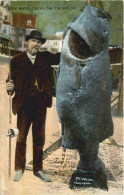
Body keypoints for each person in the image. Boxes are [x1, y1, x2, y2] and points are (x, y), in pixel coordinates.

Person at [6, 30, 60, 182]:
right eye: (34, 41)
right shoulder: (16, 60)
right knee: (21, 138)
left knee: (39, 139)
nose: (36, 44)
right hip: (23, 105)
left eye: (39, 42)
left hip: (40, 105)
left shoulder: (45, 58)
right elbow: (10, 81)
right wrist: (9, 87)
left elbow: (61, 56)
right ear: (28, 42)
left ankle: (38, 169)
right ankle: (18, 168)